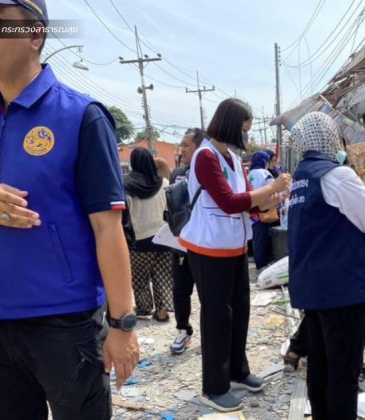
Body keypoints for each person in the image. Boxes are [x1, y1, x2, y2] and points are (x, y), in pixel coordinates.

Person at [0, 0, 139, 417]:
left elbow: (108, 228)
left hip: (64, 326)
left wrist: (122, 326)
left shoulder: (81, 116)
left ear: (34, 35)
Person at [179, 98, 292, 412]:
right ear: (230, 125)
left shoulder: (232, 159)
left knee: (239, 311)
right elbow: (228, 202)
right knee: (217, 317)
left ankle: (238, 372)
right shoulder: (205, 156)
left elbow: (248, 205)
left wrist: (276, 197)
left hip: (235, 247)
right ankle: (213, 387)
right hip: (209, 248)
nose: (246, 135)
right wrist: (270, 189)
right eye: (244, 129)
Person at [287, 112, 365, 420]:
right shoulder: (336, 175)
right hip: (342, 290)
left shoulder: (302, 177)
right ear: (330, 139)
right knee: (343, 373)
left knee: (321, 367)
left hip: (314, 288)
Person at [125, 147, 174, 322]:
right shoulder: (164, 183)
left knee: (140, 277)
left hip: (139, 240)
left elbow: (126, 212)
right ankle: (162, 311)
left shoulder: (126, 186)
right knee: (163, 275)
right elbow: (170, 208)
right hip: (163, 237)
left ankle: (144, 308)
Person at [168, 128, 203, 355]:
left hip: (205, 245)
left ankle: (211, 332)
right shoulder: (177, 174)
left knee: (208, 293)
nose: (182, 150)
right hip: (180, 244)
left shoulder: (211, 174)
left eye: (186, 145)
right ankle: (182, 330)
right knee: (180, 290)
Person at [248, 151, 276, 270]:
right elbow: (273, 190)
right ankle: (262, 265)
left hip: (250, 210)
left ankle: (258, 262)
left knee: (255, 239)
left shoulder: (249, 174)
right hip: (263, 209)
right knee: (263, 238)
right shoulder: (265, 173)